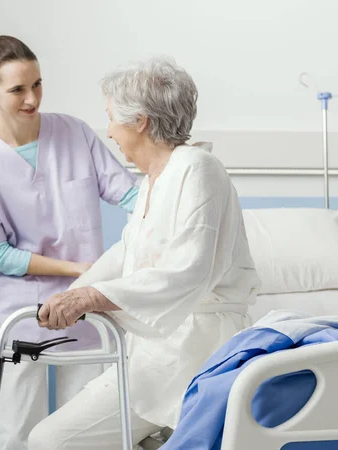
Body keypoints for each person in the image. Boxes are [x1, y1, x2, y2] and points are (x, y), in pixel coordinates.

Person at [28, 56, 260, 449]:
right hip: (154, 356)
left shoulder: (198, 168)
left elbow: (188, 269)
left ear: (141, 121)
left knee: (51, 442)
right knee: (52, 439)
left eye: (112, 119)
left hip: (194, 353)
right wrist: (74, 295)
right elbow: (127, 253)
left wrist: (91, 298)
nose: (109, 132)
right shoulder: (155, 180)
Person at [0, 35, 138, 450]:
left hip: (87, 308)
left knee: (86, 432)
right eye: (17, 89)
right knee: (15, 432)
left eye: (37, 84)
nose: (31, 99)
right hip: (20, 312)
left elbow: (128, 194)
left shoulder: (74, 133)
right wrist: (79, 270)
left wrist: (172, 201)